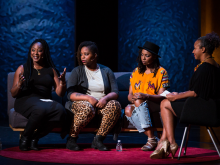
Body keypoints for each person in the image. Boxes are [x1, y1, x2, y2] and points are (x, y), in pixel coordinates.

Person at [150, 32, 220, 159]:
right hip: (208, 107)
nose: (193, 51)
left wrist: (176, 97)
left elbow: (195, 93)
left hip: (205, 110)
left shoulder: (205, 68)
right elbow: (200, 90)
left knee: (165, 103)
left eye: (195, 48)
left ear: (203, 49)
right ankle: (164, 142)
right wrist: (179, 94)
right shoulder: (214, 66)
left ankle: (170, 142)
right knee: (168, 105)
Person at [11, 39, 67, 151]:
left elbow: (60, 93)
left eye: (39, 50)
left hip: (44, 101)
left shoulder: (51, 70)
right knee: (40, 109)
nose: (35, 53)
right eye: (33, 50)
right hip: (25, 100)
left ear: (44, 52)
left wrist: (63, 82)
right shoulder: (22, 68)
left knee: (61, 111)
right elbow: (13, 93)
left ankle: (34, 138)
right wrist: (19, 85)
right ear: (30, 52)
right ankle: (25, 138)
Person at [65, 41, 121, 151]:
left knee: (115, 105)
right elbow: (70, 94)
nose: (83, 57)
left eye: (86, 54)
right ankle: (71, 139)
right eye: (81, 54)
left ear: (95, 55)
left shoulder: (106, 71)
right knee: (87, 107)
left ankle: (98, 139)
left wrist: (105, 99)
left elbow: (115, 92)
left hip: (101, 105)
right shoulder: (77, 71)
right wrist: (88, 98)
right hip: (82, 104)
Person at [125, 41, 170, 151]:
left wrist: (146, 96)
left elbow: (162, 95)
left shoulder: (162, 72)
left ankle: (150, 140)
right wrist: (133, 98)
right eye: (142, 55)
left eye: (147, 55)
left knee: (139, 100)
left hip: (154, 103)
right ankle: (153, 138)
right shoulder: (135, 72)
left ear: (154, 57)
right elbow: (130, 95)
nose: (143, 58)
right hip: (138, 102)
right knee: (127, 110)